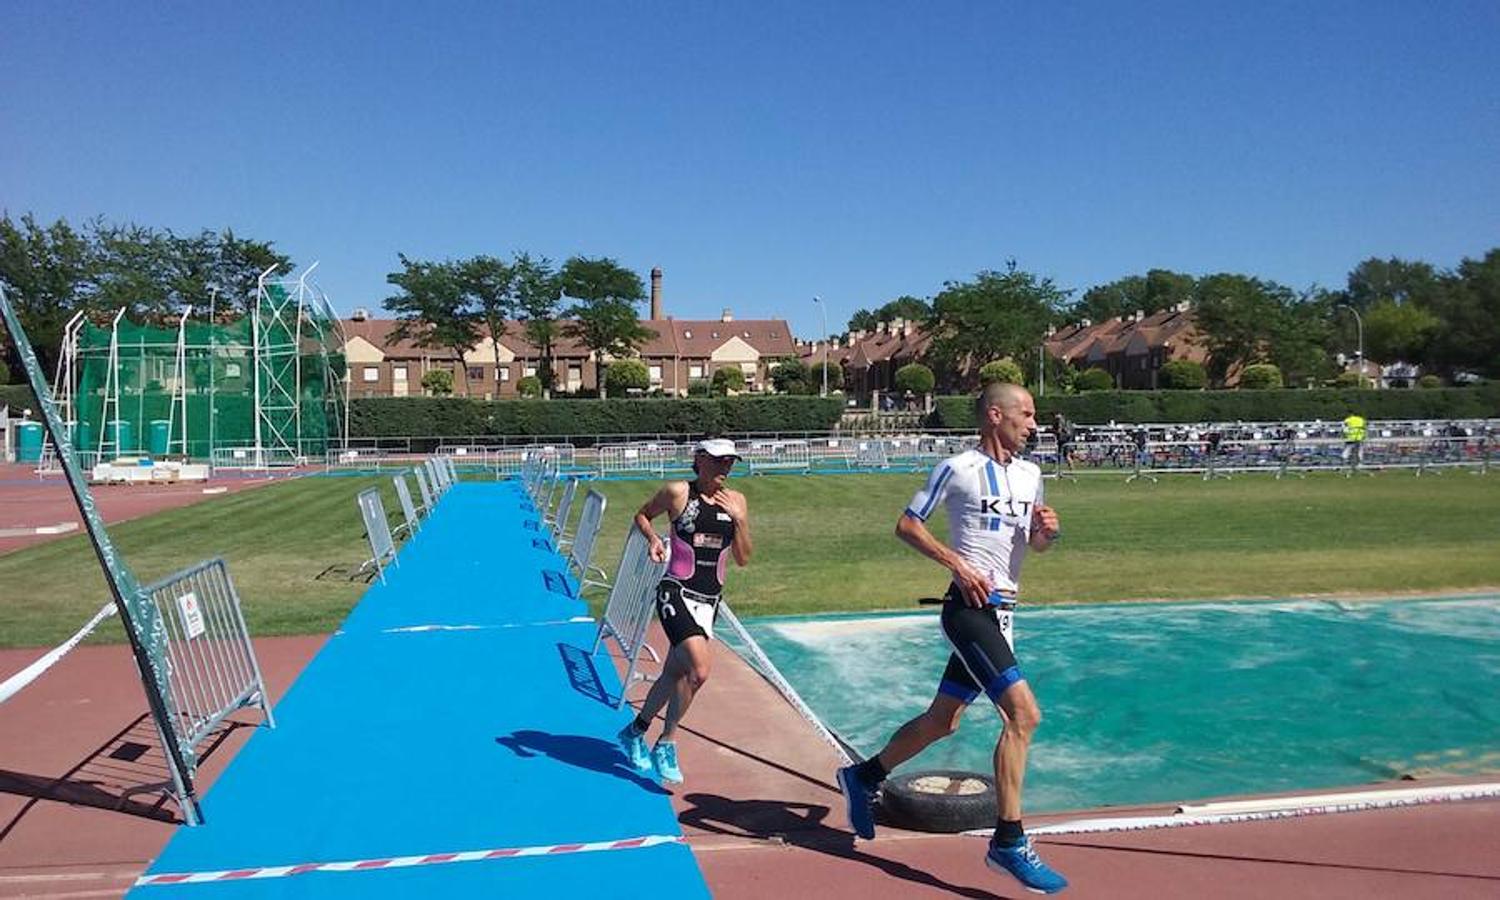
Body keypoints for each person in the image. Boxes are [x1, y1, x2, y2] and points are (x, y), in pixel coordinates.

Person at [836, 382, 1067, 894]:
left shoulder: (1032, 475)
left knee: (943, 721)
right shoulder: (956, 468)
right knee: (1023, 715)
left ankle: (864, 777)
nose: (1033, 424)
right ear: (994, 415)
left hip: (1004, 613)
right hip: (968, 612)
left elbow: (1034, 546)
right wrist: (957, 565)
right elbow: (906, 524)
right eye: (1026, 414)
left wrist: (1046, 533)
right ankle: (1008, 841)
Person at [617, 438, 752, 783]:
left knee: (676, 674)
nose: (726, 469)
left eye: (730, 463)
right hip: (675, 590)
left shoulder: (736, 501)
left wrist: (740, 521)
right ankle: (666, 742)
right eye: (720, 461)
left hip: (709, 601)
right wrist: (653, 541)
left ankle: (635, 731)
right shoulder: (678, 493)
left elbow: (743, 558)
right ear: (701, 460)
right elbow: (642, 515)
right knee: (701, 670)